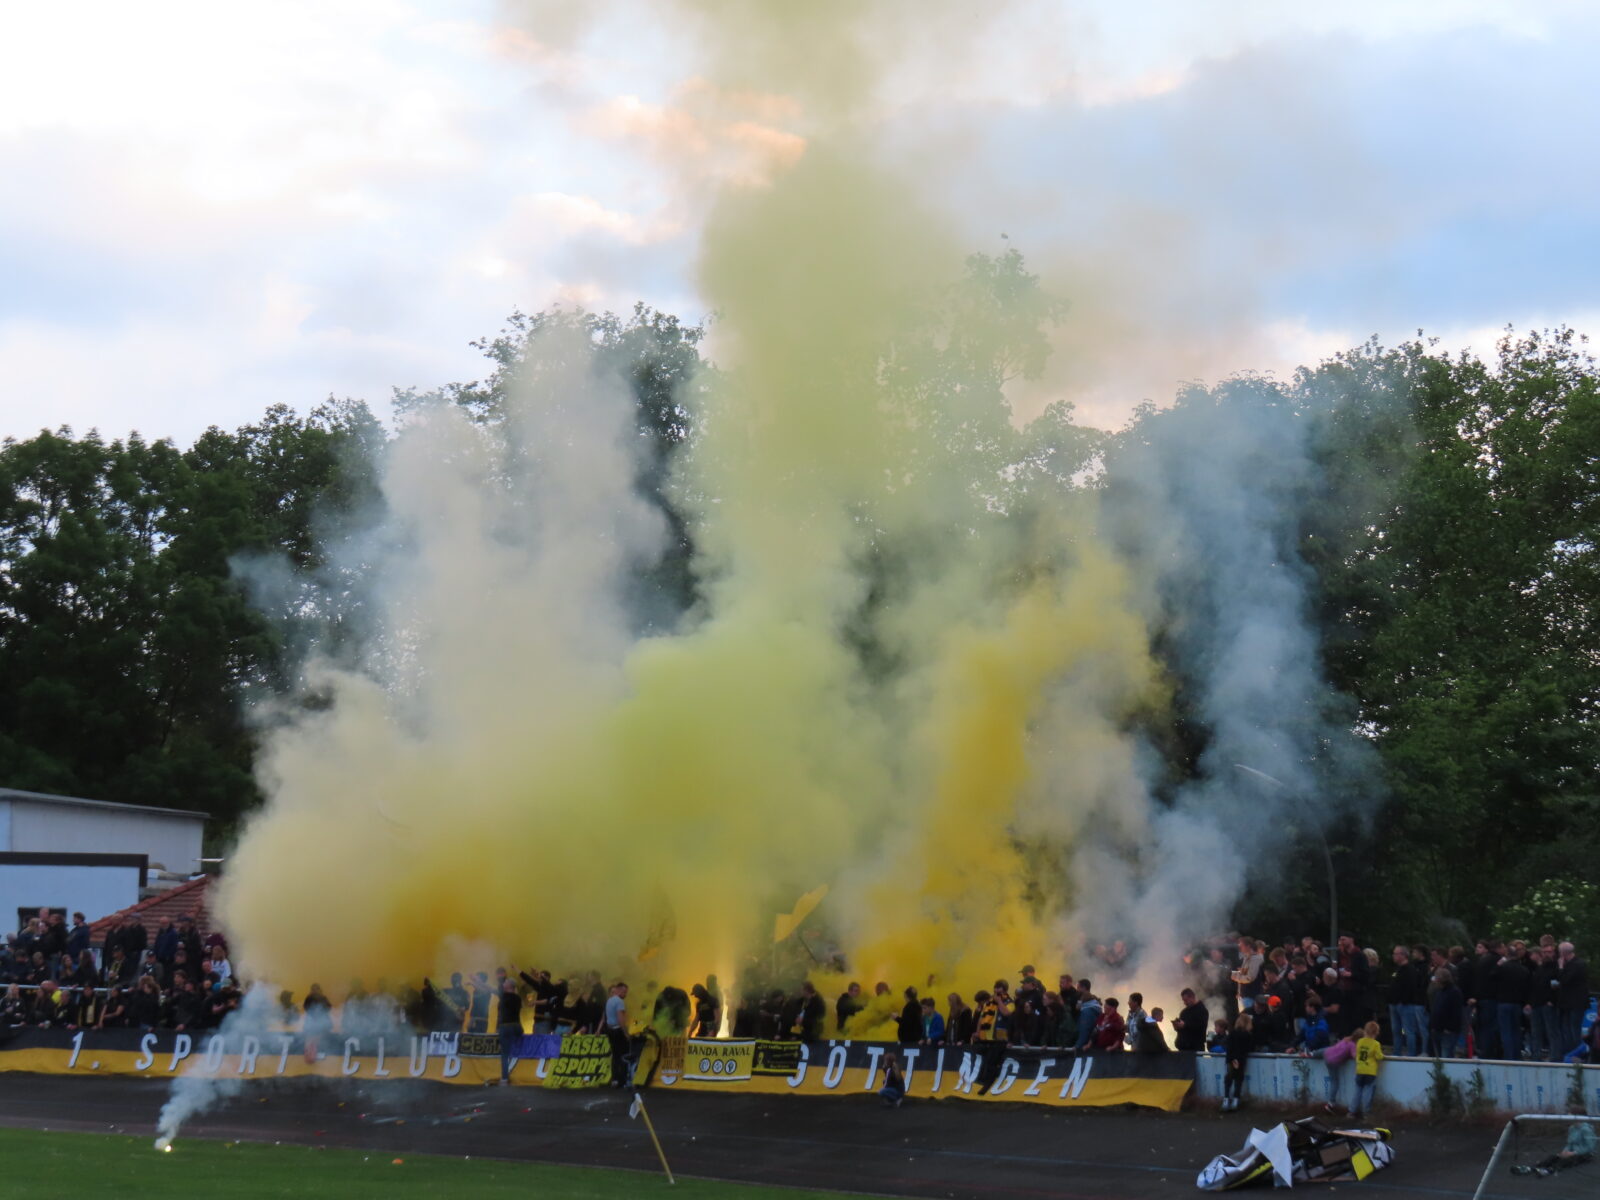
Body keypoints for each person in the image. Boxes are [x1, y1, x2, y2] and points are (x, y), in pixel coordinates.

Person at [1510, 1120, 1597, 1176]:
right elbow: (1570, 1143)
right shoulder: (1572, 1128)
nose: (1569, 1118)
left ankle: (1549, 1170)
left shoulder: (1586, 1130)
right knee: (1554, 1157)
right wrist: (1565, 1151)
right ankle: (1530, 1168)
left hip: (1585, 1154)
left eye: (1571, 1116)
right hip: (1572, 1152)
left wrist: (1574, 1153)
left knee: (1567, 1161)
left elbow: (1590, 1147)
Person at [1429, 968, 1464, 1058]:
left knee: (1446, 1056)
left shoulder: (1454, 992)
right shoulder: (1440, 992)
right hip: (1437, 1029)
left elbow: (1456, 1013)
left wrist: (1449, 1028)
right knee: (1439, 1057)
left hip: (1447, 1031)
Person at [1352, 1020, 1384, 1118]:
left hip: (1359, 1069)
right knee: (1367, 1092)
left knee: (1357, 1091)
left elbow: (1356, 1053)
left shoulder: (1360, 1042)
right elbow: (1379, 1057)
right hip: (1370, 1071)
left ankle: (1351, 1111)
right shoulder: (1376, 1044)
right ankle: (1366, 1112)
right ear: (1376, 1033)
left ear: (1365, 1031)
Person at [602, 981, 631, 1088]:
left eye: (626, 992)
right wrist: (626, 1033)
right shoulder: (619, 1002)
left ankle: (614, 1079)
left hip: (610, 1030)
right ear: (618, 990)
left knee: (615, 1056)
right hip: (618, 1031)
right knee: (623, 1056)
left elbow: (605, 1017)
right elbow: (620, 1018)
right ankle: (622, 1080)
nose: (625, 994)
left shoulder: (609, 1001)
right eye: (624, 992)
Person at [1222, 1013, 1253, 1111]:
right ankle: (1236, 1099)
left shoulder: (1232, 1033)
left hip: (1231, 1058)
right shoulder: (1247, 1035)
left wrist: (1231, 1058)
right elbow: (1249, 1048)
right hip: (1240, 1059)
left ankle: (1226, 1099)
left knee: (1229, 1078)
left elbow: (1228, 1046)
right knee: (1238, 1079)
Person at [496, 977, 524, 1084]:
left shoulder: (503, 996)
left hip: (505, 1026)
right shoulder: (518, 998)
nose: (503, 983)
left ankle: (504, 1078)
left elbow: (489, 989)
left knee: (504, 1053)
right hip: (516, 1026)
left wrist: (477, 982)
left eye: (505, 982)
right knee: (519, 1042)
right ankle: (520, 1072)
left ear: (509, 986)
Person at [1172, 988, 1210, 1053]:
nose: (1184, 1003)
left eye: (1186, 1000)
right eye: (1183, 1000)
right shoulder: (1184, 1012)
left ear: (1192, 997)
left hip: (1195, 1048)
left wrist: (1185, 1025)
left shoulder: (1202, 1010)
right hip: (1182, 1048)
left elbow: (1200, 1027)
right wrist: (1177, 1027)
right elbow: (1182, 1029)